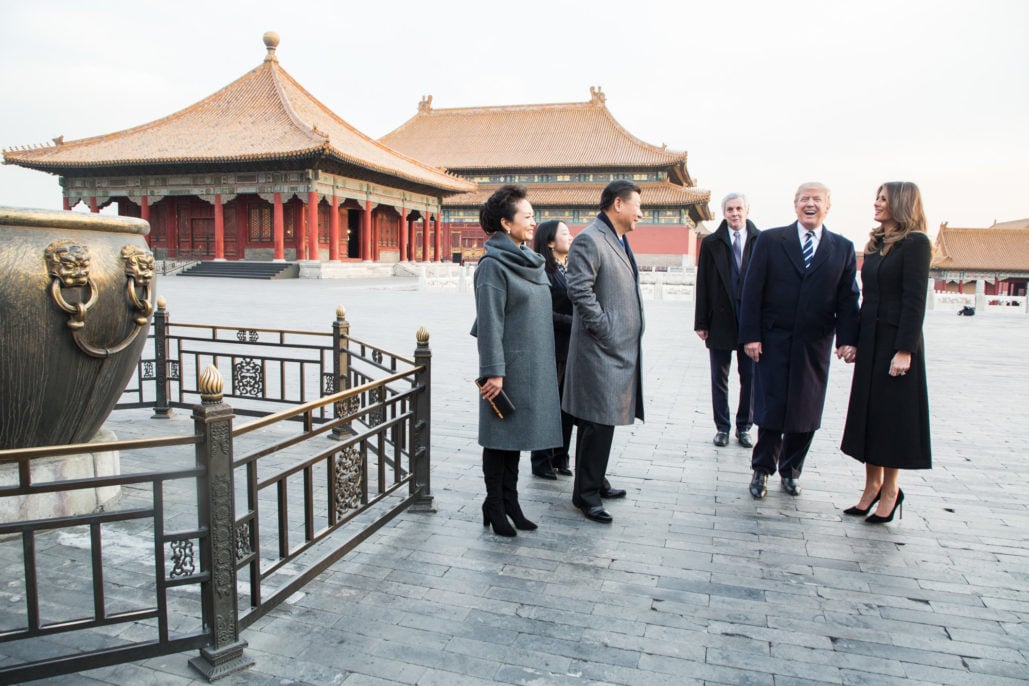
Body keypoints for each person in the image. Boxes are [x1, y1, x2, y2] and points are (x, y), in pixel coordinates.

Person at [739, 182, 859, 499]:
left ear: (827, 206)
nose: (810, 204)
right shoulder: (770, 240)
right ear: (794, 206)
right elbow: (752, 290)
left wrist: (848, 339)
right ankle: (762, 470)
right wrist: (751, 335)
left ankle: (791, 471)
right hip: (773, 339)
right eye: (804, 199)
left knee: (805, 413)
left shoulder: (842, 248)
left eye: (816, 199)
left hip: (814, 343)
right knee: (770, 408)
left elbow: (849, 298)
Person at [471, 184, 562, 536]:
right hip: (504, 371)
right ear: (506, 224)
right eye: (527, 217)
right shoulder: (493, 266)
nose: (533, 223)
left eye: (534, 217)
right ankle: (494, 504)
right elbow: (490, 323)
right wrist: (493, 372)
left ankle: (510, 501)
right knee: (499, 438)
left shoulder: (530, 261)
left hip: (531, 367)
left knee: (516, 438)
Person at [840, 182, 932, 524]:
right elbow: (866, 297)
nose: (876, 203)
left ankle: (891, 490)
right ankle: (871, 486)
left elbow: (914, 300)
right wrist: (854, 341)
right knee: (869, 416)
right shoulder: (876, 244)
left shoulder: (916, 244)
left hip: (896, 343)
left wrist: (905, 350)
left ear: (901, 203)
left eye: (883, 198)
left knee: (891, 420)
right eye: (877, 198)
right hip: (872, 340)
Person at [563, 180, 644, 523]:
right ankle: (586, 495)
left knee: (604, 421)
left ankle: (595, 479)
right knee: (596, 422)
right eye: (637, 205)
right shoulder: (589, 239)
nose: (641, 213)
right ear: (617, 204)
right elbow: (578, 289)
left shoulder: (617, 239)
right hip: (601, 350)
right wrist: (606, 329)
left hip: (617, 350)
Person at [694, 193, 759, 448]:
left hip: (750, 321)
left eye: (739, 208)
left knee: (750, 377)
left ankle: (745, 426)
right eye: (730, 209)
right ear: (724, 212)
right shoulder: (711, 243)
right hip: (720, 318)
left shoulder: (760, 240)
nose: (735, 213)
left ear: (747, 210)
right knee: (719, 377)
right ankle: (722, 426)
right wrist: (701, 322)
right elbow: (703, 284)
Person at [530, 220, 576, 480]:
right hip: (552, 347)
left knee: (566, 406)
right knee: (549, 404)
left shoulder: (567, 269)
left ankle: (561, 457)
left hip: (570, 348)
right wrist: (574, 323)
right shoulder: (543, 272)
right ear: (550, 241)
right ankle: (542, 460)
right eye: (565, 234)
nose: (570, 237)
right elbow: (541, 313)